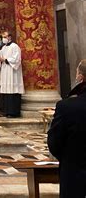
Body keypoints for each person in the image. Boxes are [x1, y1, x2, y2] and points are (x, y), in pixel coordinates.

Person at [48, 59, 86, 198]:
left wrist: (69, 159)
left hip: (74, 173)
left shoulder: (67, 106)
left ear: (80, 77)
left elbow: (54, 143)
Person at [0, 31, 24, 117]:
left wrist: (5, 60)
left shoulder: (15, 47)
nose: (3, 39)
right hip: (5, 71)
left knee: (13, 90)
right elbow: (0, 58)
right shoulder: (3, 48)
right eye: (2, 37)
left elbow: (16, 59)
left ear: (9, 37)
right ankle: (7, 111)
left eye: (5, 37)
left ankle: (14, 112)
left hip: (12, 72)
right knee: (6, 90)